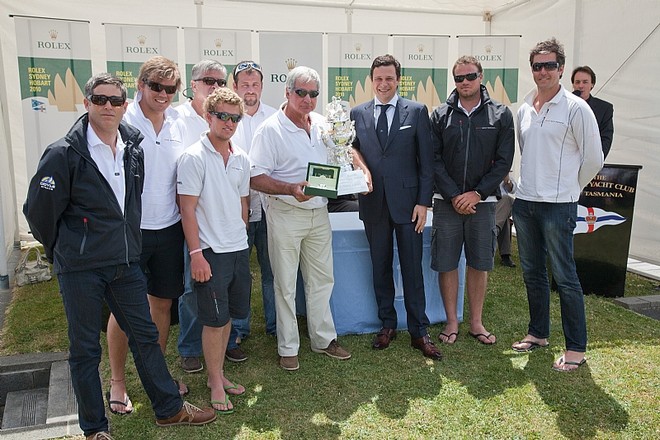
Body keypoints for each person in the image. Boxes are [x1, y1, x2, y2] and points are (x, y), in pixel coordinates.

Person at [23, 73, 215, 440]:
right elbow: (38, 213)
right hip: (81, 267)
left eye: (115, 100)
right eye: (100, 99)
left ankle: (168, 409)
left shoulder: (132, 146)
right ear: (87, 103)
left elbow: (130, 204)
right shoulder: (63, 153)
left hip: (124, 260)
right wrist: (62, 250)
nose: (108, 106)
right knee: (84, 349)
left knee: (145, 335)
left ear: (125, 105)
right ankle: (95, 428)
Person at [249, 66, 351, 371]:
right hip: (285, 213)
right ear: (287, 92)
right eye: (301, 93)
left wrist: (358, 174)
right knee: (285, 284)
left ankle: (323, 339)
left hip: (319, 212)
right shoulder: (270, 129)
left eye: (313, 94)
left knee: (322, 279)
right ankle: (288, 346)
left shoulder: (323, 124)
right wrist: (290, 189)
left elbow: (343, 153)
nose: (307, 99)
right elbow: (254, 176)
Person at [511, 38, 603, 372]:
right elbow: (525, 149)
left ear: (561, 69)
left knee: (565, 277)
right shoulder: (524, 107)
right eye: (538, 66)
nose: (543, 71)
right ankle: (538, 334)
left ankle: (576, 348)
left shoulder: (576, 108)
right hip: (525, 202)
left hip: (558, 205)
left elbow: (594, 158)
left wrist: (570, 189)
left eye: (550, 65)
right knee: (533, 273)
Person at [106, 56, 188, 407]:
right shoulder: (122, 120)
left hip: (169, 229)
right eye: (156, 86)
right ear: (140, 85)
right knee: (123, 308)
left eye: (171, 89)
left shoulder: (179, 124)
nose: (163, 94)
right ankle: (118, 380)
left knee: (162, 305)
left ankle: (157, 376)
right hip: (130, 232)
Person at [350, 54, 441, 360]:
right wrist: (361, 168)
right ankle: (387, 324)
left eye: (389, 78)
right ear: (371, 80)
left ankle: (419, 331)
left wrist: (422, 203)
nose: (384, 84)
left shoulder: (415, 111)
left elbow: (427, 163)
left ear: (398, 79)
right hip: (373, 205)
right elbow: (352, 150)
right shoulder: (357, 113)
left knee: (413, 269)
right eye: (378, 79)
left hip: (408, 207)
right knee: (380, 266)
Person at [430, 55, 515, 346]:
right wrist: (454, 194)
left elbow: (504, 162)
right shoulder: (440, 115)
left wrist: (477, 193)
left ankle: (476, 322)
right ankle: (452, 321)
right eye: (459, 78)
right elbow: (434, 159)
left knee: (480, 263)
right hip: (446, 201)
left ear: (481, 77)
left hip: (484, 202)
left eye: (470, 76)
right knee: (447, 262)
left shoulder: (501, 114)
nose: (464, 82)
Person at [177, 87, 251, 414]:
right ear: (208, 116)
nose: (229, 122)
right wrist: (196, 254)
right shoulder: (193, 157)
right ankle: (216, 380)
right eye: (222, 116)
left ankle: (216, 374)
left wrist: (241, 232)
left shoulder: (241, 157)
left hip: (237, 249)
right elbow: (187, 209)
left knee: (228, 318)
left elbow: (243, 201)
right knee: (214, 320)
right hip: (209, 252)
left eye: (235, 117)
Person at [175, 59, 228, 374]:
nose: (215, 86)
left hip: (222, 220)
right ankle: (191, 346)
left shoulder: (227, 116)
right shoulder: (177, 118)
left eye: (221, 81)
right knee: (192, 284)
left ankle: (226, 341)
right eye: (209, 80)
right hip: (192, 216)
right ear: (193, 85)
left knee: (223, 284)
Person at [226, 60, 278, 363]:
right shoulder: (227, 117)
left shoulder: (275, 117)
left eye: (254, 84)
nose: (250, 90)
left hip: (271, 207)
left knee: (272, 271)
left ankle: (275, 326)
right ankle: (238, 329)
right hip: (237, 210)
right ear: (235, 87)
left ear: (261, 86)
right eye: (244, 85)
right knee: (239, 274)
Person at [571, 65, 614, 159]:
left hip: (590, 161)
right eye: (577, 82)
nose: (580, 86)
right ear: (573, 85)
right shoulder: (564, 105)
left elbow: (606, 138)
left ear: (592, 84)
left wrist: (596, 161)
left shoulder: (604, 108)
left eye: (585, 82)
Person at [495, 172, 516, 268]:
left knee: (507, 201)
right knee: (504, 219)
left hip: (501, 205)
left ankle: (494, 231)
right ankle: (505, 255)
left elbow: (513, 189)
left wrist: (507, 180)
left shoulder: (502, 168)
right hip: (488, 203)